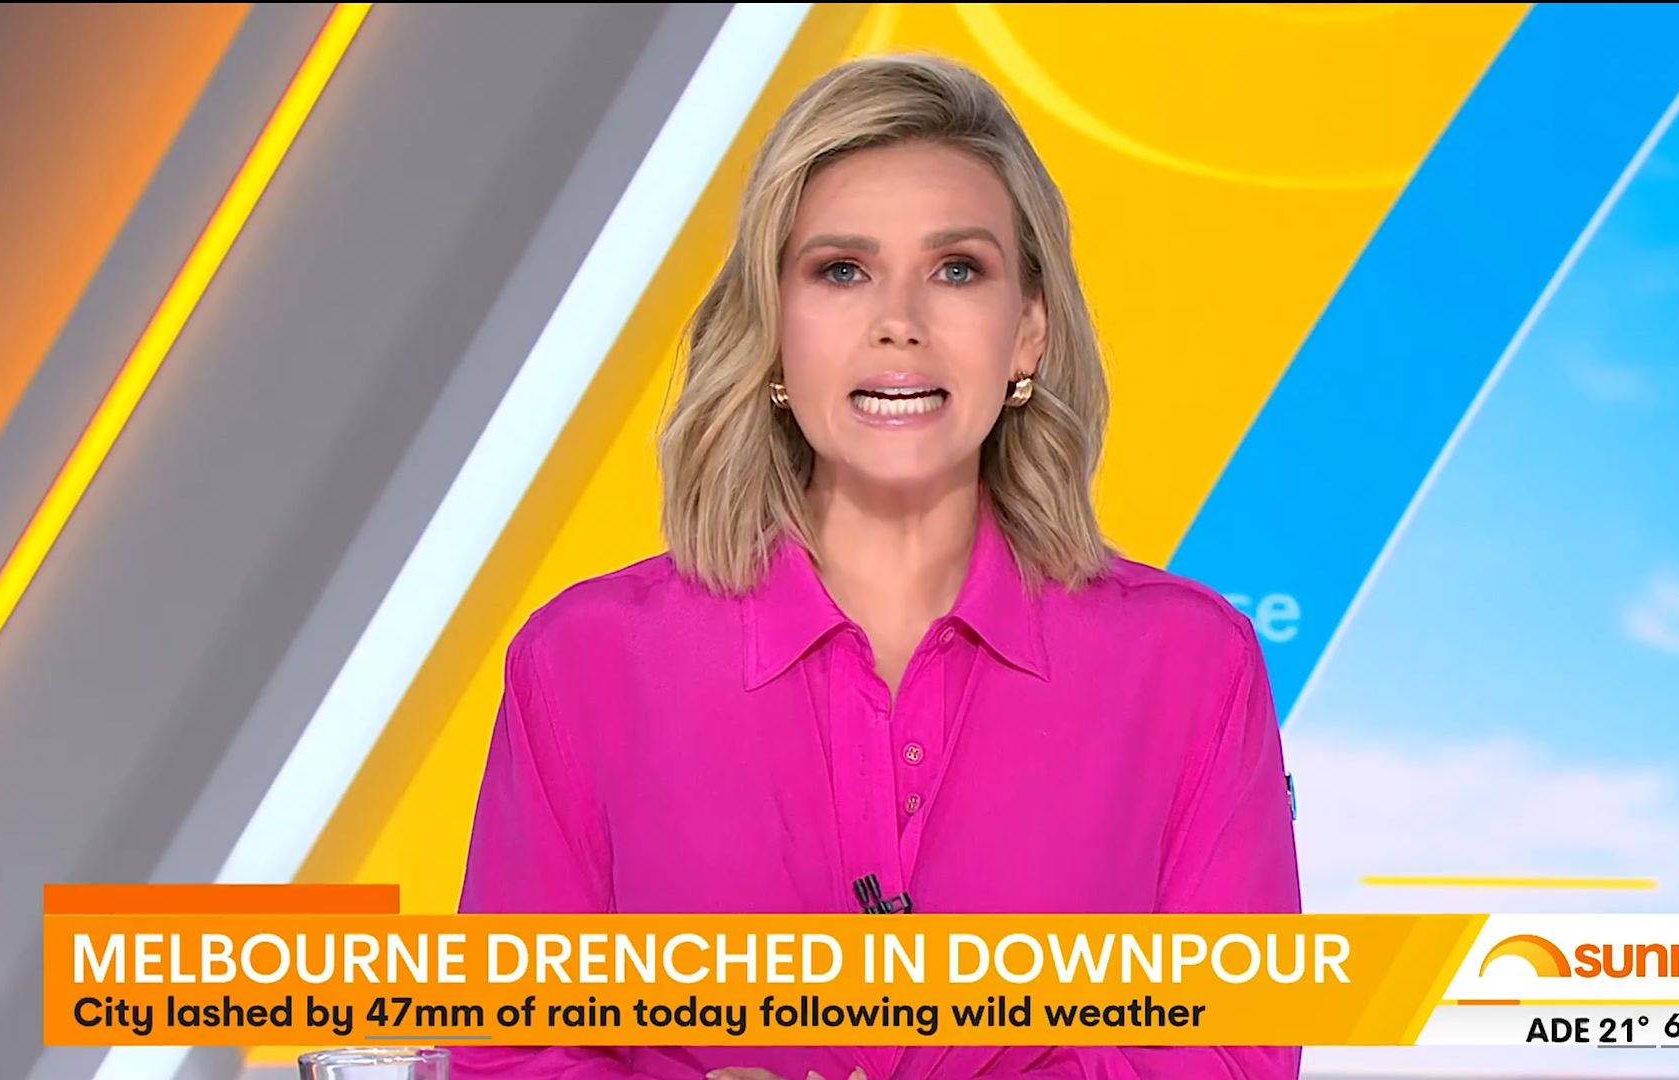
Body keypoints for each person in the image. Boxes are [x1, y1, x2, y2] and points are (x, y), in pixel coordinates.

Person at [452, 52, 1301, 1080]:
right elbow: (511, 1050)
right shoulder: (583, 661)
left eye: (958, 270)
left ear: (1028, 331)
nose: (900, 321)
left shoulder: (1190, 662)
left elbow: (1234, 1055)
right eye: (842, 271)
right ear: (773, 329)